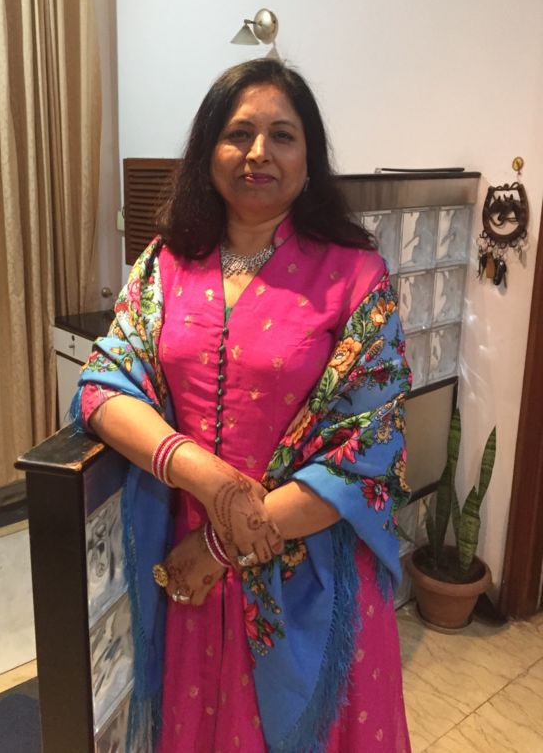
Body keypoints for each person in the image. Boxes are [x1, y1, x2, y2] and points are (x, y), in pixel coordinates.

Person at [72, 58, 412, 752]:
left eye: (282, 135)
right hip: (188, 574)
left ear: (309, 160)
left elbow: (368, 451)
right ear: (209, 152)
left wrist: (221, 544)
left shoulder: (355, 277)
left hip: (306, 568)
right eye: (238, 134)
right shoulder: (166, 266)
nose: (259, 152)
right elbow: (101, 386)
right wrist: (202, 474)